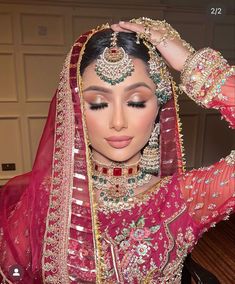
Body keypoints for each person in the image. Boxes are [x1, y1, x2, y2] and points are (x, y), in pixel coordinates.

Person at [0, 17, 234, 284]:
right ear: (75, 111)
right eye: (98, 103)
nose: (118, 122)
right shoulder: (46, 199)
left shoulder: (184, 198)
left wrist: (191, 64)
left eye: (136, 101)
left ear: (158, 107)